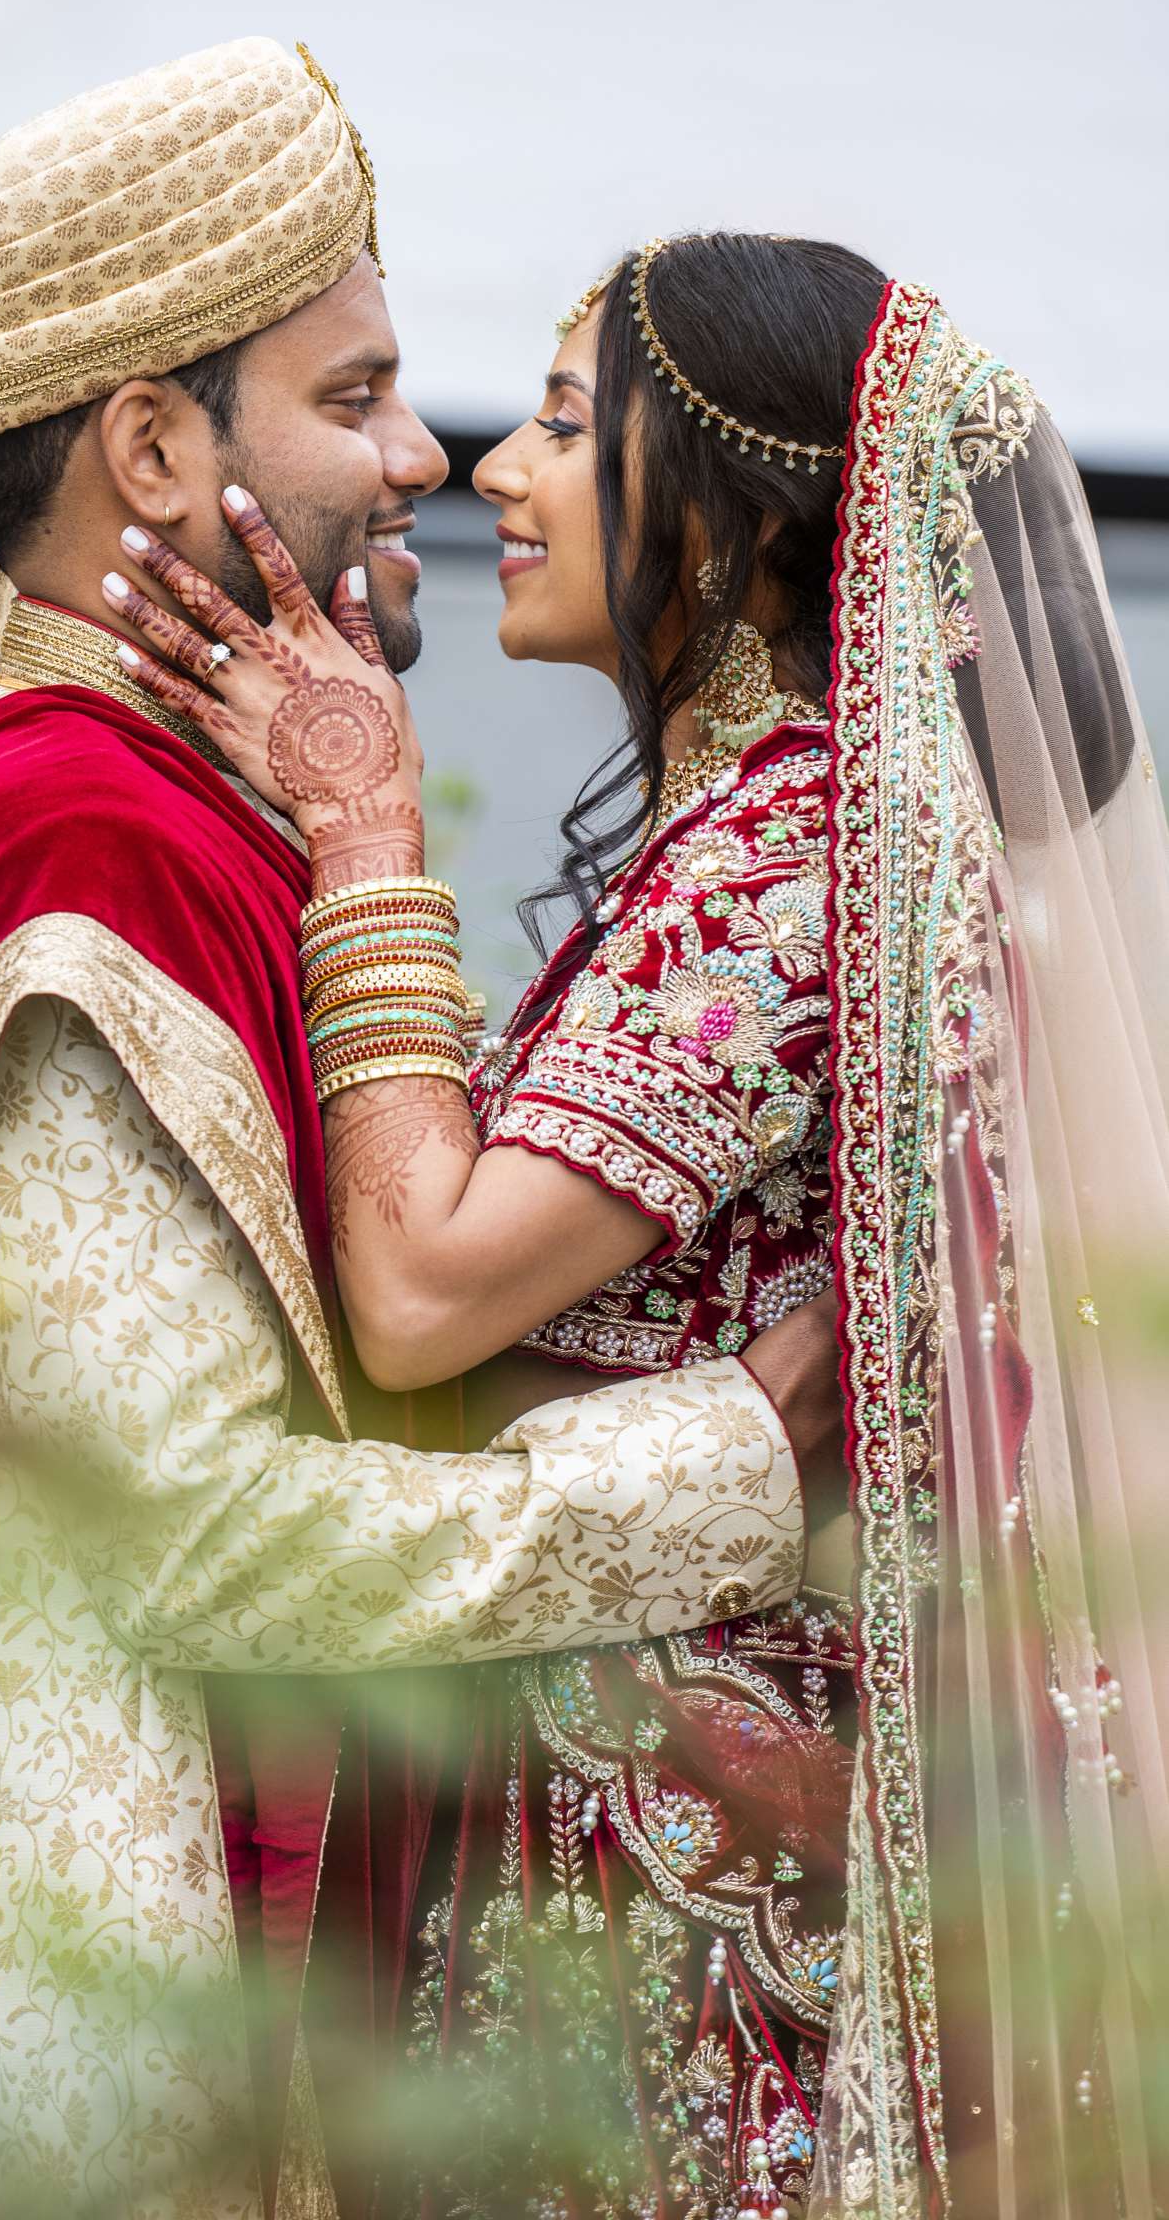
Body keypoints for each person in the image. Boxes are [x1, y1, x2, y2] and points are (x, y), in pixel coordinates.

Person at [0, 48, 840, 2220]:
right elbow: (188, 1536)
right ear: (156, 448)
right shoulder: (74, 850)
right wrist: (724, 1458)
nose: (424, 458)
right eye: (357, 394)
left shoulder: (198, 804)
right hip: (130, 1987)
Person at [121, 231, 1169, 2217]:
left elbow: (426, 1292)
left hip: (662, 1844)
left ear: (747, 529)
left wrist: (362, 843)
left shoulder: (789, 845)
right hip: (664, 1781)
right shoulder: (803, 821)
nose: (494, 470)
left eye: (566, 423)